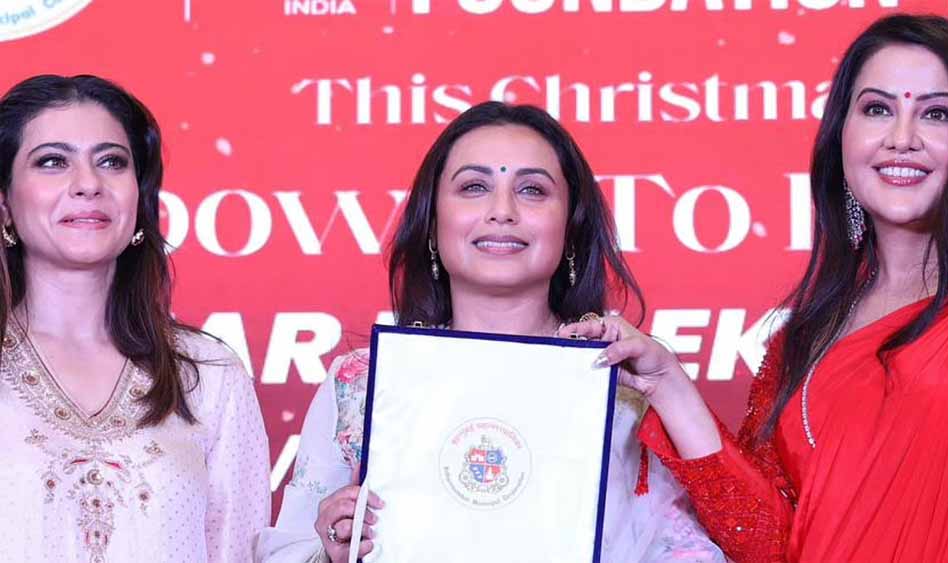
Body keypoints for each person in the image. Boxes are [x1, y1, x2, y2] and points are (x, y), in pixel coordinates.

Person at [558, 14, 948, 562]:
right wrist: (667, 383)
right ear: (841, 137)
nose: (901, 138)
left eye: (937, 113)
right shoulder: (807, 336)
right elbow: (769, 542)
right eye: (877, 109)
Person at [256, 101, 724, 562]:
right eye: (474, 187)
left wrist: (668, 387)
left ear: (570, 228)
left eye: (533, 190)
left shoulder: (623, 382)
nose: (502, 210)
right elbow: (285, 551)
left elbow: (705, 548)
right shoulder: (359, 384)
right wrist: (332, 551)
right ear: (432, 224)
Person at [0, 74, 271, 562]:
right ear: (4, 203)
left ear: (139, 197)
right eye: (53, 161)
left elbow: (238, 551)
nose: (89, 184)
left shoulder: (207, 374)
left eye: (111, 162)